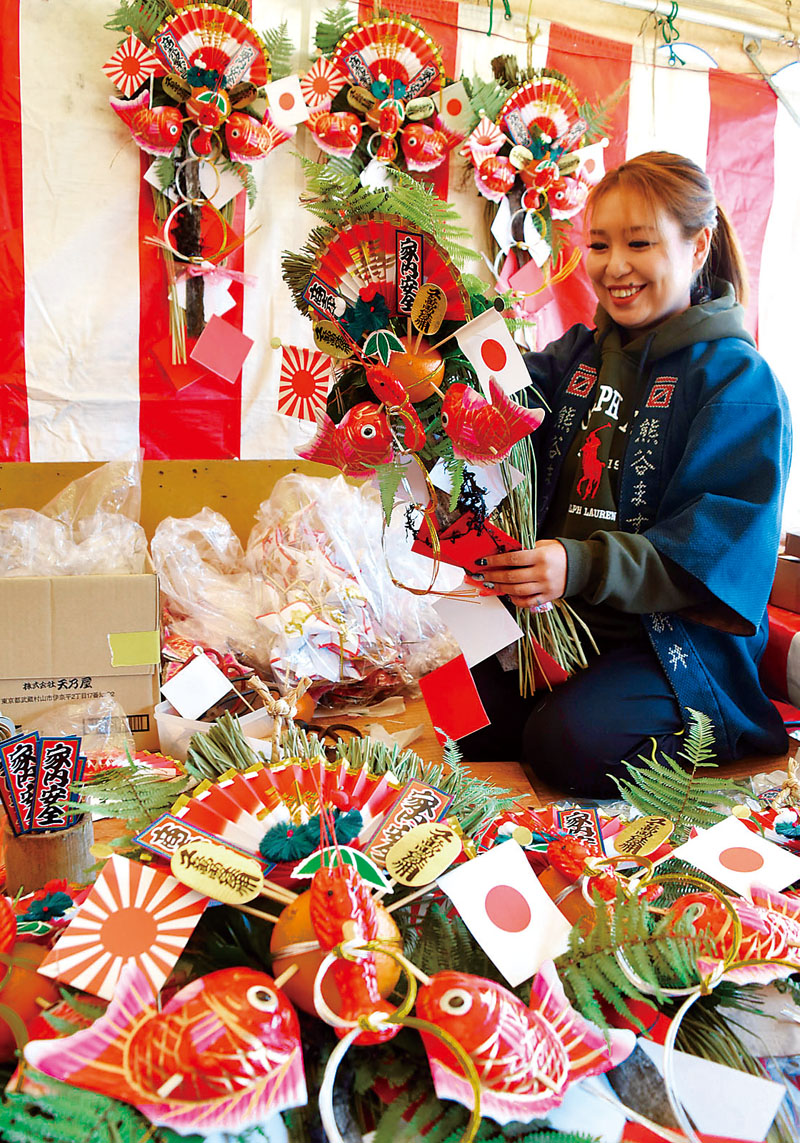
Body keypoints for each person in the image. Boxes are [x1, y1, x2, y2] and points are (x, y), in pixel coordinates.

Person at [462, 151, 792, 798]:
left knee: (565, 746)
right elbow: (499, 394)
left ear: (698, 246)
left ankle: (729, 731)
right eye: (598, 244)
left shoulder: (737, 382)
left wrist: (577, 563)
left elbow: (713, 555)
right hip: (566, 629)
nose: (615, 266)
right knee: (463, 716)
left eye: (639, 243)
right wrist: (427, 351)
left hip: (674, 650)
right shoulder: (581, 355)